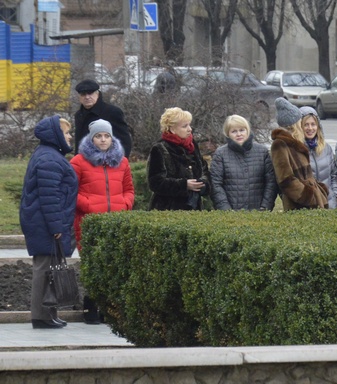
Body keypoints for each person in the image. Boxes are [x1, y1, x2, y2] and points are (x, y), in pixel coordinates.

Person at [70, 119, 134, 324]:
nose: (103, 139)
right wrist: (88, 205)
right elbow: (70, 190)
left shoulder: (121, 161)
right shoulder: (79, 162)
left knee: (113, 263)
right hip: (88, 222)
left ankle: (109, 308)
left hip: (116, 221)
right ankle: (91, 306)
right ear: (92, 138)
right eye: (99, 136)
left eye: (106, 136)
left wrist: (124, 205)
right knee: (92, 264)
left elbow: (129, 190)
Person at [20, 115, 77, 329]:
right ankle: (41, 316)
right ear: (55, 135)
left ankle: (48, 314)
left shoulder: (50, 155)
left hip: (43, 222)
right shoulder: (49, 159)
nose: (70, 136)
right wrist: (57, 227)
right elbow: (49, 197)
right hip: (45, 223)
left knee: (49, 268)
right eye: (66, 132)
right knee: (44, 269)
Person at [270, 98, 329, 210]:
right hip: (298, 205)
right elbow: (286, 180)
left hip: (310, 203)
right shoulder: (280, 144)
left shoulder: (295, 143)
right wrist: (309, 196)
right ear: (294, 124)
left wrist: (321, 191)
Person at [147, 107, 210, 211]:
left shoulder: (192, 145)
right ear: (172, 129)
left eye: (189, 125)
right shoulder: (159, 149)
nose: (190, 129)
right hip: (167, 211)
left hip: (194, 209)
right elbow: (155, 182)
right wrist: (184, 185)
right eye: (185, 126)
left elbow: (204, 171)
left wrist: (201, 184)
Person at [210, 115, 278, 211]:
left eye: (242, 130)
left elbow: (271, 182)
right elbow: (215, 184)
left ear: (248, 130)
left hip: (259, 212)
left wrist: (265, 207)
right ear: (228, 134)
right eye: (234, 131)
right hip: (230, 213)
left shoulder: (262, 152)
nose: (239, 134)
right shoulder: (220, 154)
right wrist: (226, 210)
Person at [74, 79, 133, 158]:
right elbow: (78, 142)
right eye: (83, 94)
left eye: (90, 93)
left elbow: (124, 141)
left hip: (107, 162)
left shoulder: (112, 112)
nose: (87, 97)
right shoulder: (79, 115)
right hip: (83, 163)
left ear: (97, 94)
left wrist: (120, 163)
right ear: (79, 97)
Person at [299, 106, 337, 208]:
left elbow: (333, 176)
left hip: (329, 204)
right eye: (306, 125)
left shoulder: (326, 148)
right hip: (306, 207)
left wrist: (336, 197)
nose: (310, 128)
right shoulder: (295, 150)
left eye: (313, 124)